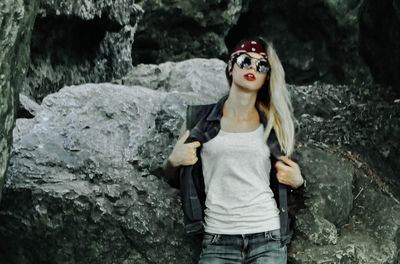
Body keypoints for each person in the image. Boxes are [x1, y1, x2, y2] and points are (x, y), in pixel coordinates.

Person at [163, 37, 304, 263]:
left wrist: (298, 181)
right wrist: (173, 161)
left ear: (267, 76)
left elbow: (291, 179)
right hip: (217, 240)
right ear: (230, 66)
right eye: (245, 60)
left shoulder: (274, 125)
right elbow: (172, 177)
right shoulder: (198, 119)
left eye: (261, 65)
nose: (252, 68)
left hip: (267, 237)